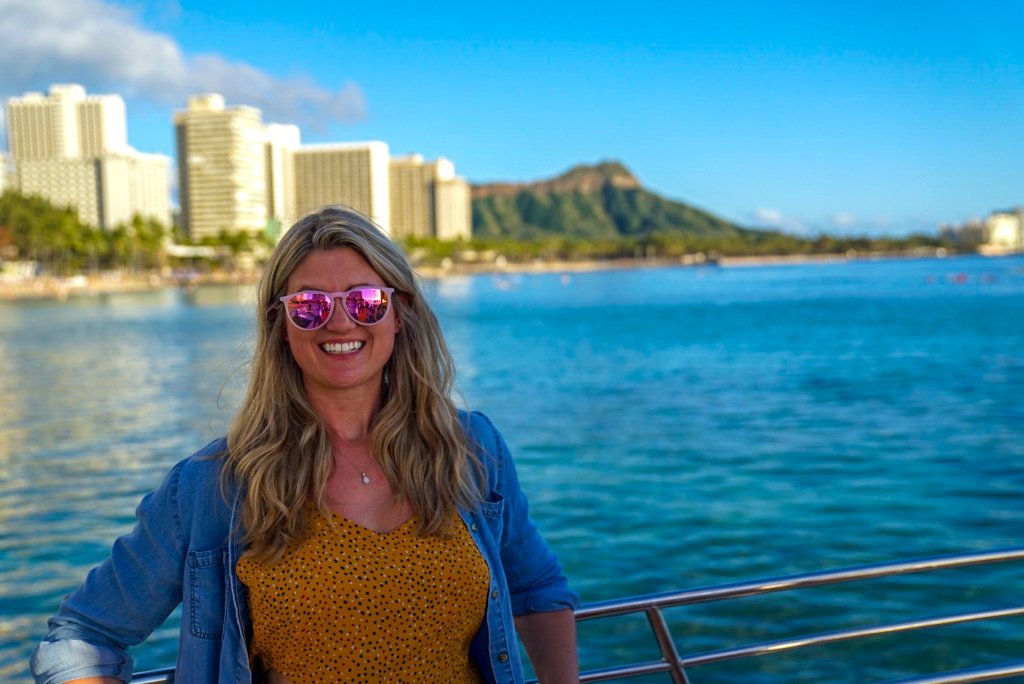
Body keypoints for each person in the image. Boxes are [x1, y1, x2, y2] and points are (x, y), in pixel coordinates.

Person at [31, 206, 579, 684]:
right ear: (280, 325)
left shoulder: (471, 449)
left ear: (400, 312)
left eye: (365, 300)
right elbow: (82, 636)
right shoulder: (214, 484)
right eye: (310, 305)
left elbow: (536, 587)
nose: (339, 321)